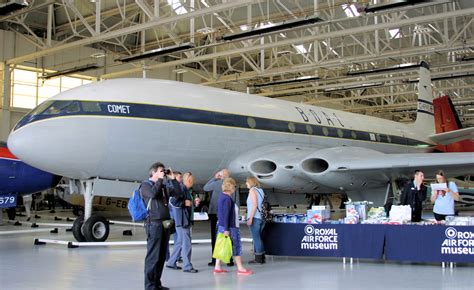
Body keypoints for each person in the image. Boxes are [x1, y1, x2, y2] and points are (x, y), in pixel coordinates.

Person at [141, 162, 182, 290]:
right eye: (160, 171)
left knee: (161, 256)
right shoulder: (145, 185)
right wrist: (159, 179)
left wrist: (173, 179)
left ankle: (157, 284)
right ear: (153, 172)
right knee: (153, 257)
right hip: (154, 224)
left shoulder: (163, 186)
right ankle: (149, 286)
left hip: (164, 223)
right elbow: (153, 194)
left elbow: (178, 193)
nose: (162, 173)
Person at [213, 177, 253, 275]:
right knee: (236, 246)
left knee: (221, 245)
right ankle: (240, 268)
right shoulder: (227, 199)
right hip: (231, 227)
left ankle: (217, 267)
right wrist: (227, 229)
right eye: (234, 187)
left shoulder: (221, 197)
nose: (235, 189)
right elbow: (226, 215)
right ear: (230, 187)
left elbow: (219, 213)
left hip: (222, 225)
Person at [204, 168, 238, 267]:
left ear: (221, 175)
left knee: (215, 237)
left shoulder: (217, 183)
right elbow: (236, 201)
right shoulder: (233, 185)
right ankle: (229, 259)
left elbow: (205, 187)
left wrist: (214, 178)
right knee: (228, 237)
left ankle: (215, 260)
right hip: (229, 214)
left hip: (215, 213)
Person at [166, 172, 198, 273]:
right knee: (186, 243)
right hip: (183, 220)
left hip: (182, 220)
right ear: (189, 180)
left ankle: (171, 262)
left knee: (179, 242)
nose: (192, 184)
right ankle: (187, 266)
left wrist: (193, 203)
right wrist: (185, 203)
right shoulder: (182, 189)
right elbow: (173, 201)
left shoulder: (185, 189)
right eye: (192, 182)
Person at [245, 177, 266, 264]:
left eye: (247, 182)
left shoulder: (252, 190)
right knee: (259, 238)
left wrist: (250, 218)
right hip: (261, 217)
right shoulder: (260, 190)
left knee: (256, 238)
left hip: (255, 218)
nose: (246, 183)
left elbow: (254, 205)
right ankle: (262, 257)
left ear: (250, 182)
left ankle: (258, 259)